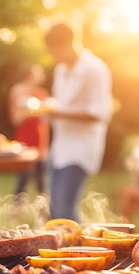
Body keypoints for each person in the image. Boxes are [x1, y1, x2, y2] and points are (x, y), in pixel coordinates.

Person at [42, 22, 113, 221]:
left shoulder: (94, 69)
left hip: (81, 148)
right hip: (59, 147)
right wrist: (47, 110)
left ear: (68, 43)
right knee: (55, 211)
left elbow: (100, 112)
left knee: (65, 209)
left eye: (54, 50)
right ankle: (63, 251)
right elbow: (60, 105)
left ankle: (79, 252)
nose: (53, 56)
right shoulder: (60, 70)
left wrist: (57, 111)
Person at [7, 63, 50, 198]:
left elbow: (47, 119)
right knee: (23, 180)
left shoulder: (41, 93)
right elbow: (15, 119)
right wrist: (27, 111)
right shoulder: (18, 91)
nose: (41, 75)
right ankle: (16, 213)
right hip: (25, 141)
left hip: (40, 142)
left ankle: (44, 215)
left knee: (41, 183)